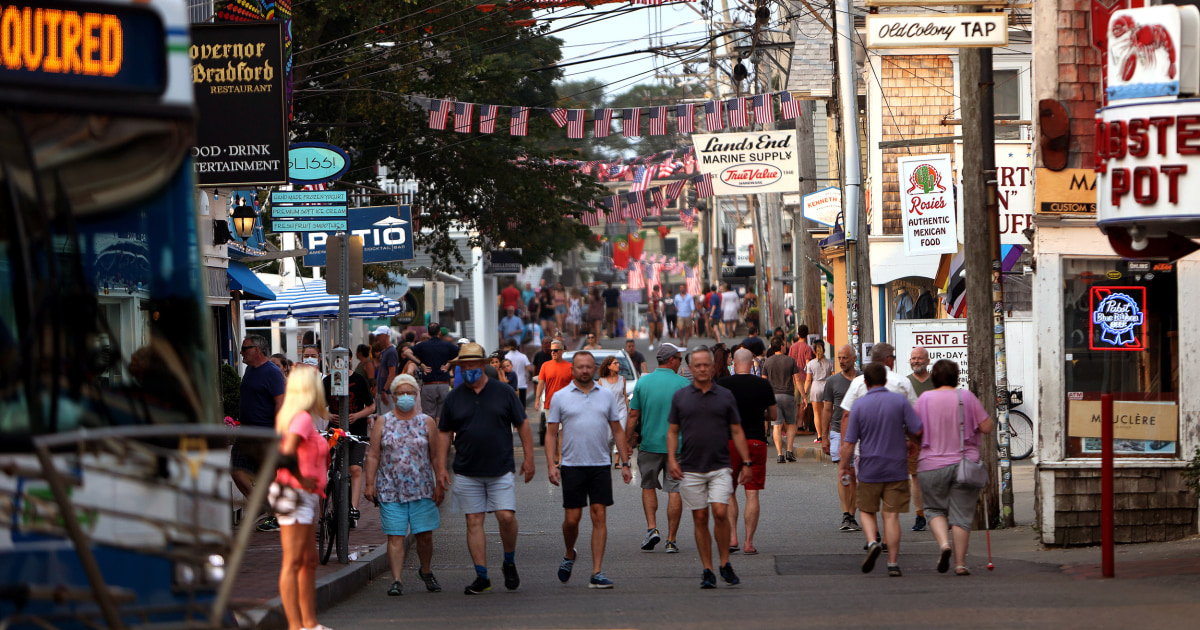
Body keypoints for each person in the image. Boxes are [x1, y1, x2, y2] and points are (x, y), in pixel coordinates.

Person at [435, 343, 535, 595]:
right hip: (467, 470)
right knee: (474, 521)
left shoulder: (503, 392)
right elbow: (444, 433)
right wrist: (440, 467)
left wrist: (529, 458)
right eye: (464, 367)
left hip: (500, 468)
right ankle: (482, 576)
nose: (468, 370)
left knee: (506, 516)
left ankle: (509, 561)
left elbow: (522, 424)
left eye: (472, 366)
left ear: (482, 365)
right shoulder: (454, 397)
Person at [546, 352, 633, 589]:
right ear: (572, 369)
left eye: (588, 367)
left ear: (594, 369)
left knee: (599, 514)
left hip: (600, 464)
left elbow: (617, 430)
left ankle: (597, 572)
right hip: (572, 465)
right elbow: (551, 432)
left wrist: (625, 463)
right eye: (579, 367)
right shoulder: (560, 397)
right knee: (572, 520)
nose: (584, 370)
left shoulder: (605, 396)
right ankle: (569, 552)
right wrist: (551, 465)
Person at [667, 346, 751, 589]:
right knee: (700, 517)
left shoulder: (725, 395)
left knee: (720, 512)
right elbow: (673, 431)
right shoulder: (681, 397)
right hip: (691, 467)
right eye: (698, 365)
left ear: (713, 368)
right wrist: (672, 459)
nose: (703, 369)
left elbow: (736, 430)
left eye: (707, 365)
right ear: (690, 369)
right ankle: (707, 568)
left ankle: (725, 562)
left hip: (720, 466)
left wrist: (746, 462)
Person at [838, 363, 923, 578]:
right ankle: (893, 562)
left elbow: (849, 442)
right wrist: (914, 442)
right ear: (885, 380)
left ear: (865, 382)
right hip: (896, 466)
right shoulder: (900, 401)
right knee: (891, 516)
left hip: (869, 467)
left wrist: (843, 467)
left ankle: (872, 540)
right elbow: (918, 429)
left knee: (866, 509)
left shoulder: (859, 406)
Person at [364, 374, 445, 596]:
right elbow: (373, 455)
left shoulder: (426, 421)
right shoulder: (383, 422)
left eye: (410, 392)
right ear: (393, 396)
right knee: (395, 535)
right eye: (401, 393)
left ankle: (426, 570)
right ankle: (397, 579)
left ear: (417, 395)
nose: (406, 397)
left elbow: (436, 456)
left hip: (422, 488)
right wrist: (369, 484)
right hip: (390, 488)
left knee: (424, 535)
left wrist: (440, 482)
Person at [914, 360, 994, 576]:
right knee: (961, 516)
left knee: (933, 509)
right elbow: (987, 427)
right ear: (956, 377)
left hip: (930, 466)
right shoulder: (965, 397)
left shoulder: (924, 399)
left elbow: (915, 429)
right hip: (963, 465)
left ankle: (943, 545)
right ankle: (960, 564)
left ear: (934, 378)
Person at [270, 365, 330, 630]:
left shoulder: (298, 416)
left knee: (306, 561)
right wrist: (302, 477)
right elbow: (286, 452)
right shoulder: (302, 419)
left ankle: (308, 622)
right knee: (295, 561)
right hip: (296, 492)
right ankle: (297, 625)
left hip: (301, 493)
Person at [626, 343, 690, 553]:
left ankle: (652, 528)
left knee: (648, 486)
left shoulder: (643, 383)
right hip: (677, 448)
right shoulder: (683, 384)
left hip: (649, 444)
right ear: (671, 360)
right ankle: (671, 540)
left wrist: (627, 442)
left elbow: (633, 415)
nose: (680, 362)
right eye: (679, 359)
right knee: (675, 490)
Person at [716, 349, 776, 556]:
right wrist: (759, 412)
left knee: (730, 491)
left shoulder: (722, 384)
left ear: (733, 362)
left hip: (729, 441)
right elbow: (774, 414)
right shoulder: (763, 385)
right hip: (756, 441)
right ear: (752, 363)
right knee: (752, 493)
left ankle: (732, 536)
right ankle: (749, 542)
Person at [234, 335, 287, 532]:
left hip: (265, 431)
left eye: (245, 348)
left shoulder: (272, 372)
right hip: (246, 431)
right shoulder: (249, 370)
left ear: (257, 350)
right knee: (237, 471)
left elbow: (280, 403)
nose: (241, 352)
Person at [322, 366, 374, 528]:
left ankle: (352, 509)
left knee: (355, 469)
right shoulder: (327, 381)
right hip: (334, 432)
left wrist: (356, 416)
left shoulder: (359, 380)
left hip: (357, 430)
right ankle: (325, 510)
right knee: (328, 470)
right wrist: (329, 416)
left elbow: (371, 406)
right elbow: (318, 405)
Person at [821, 344, 860, 532]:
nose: (842, 361)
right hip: (838, 431)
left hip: (860, 433)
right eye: (839, 358)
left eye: (845, 358)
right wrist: (824, 437)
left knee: (854, 474)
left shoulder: (863, 379)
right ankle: (846, 514)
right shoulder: (832, 381)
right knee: (843, 471)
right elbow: (827, 409)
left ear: (854, 358)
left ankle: (852, 515)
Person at [906, 346, 935, 532]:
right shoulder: (905, 382)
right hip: (913, 439)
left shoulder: (937, 381)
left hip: (936, 437)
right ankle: (920, 515)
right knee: (915, 477)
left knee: (936, 477)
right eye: (913, 358)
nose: (916, 361)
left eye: (919, 358)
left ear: (927, 361)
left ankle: (940, 512)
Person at [762, 338, 801, 463]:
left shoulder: (767, 362)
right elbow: (798, 380)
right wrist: (804, 396)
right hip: (788, 395)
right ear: (782, 347)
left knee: (776, 426)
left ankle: (779, 454)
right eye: (784, 345)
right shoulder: (790, 360)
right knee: (791, 424)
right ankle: (789, 451)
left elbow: (764, 382)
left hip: (773, 397)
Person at [411, 322, 459, 419]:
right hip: (443, 384)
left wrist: (421, 364)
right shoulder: (447, 345)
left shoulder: (422, 346)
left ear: (428, 333)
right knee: (442, 416)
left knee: (428, 416)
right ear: (439, 332)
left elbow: (407, 352)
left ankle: (431, 433)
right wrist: (450, 363)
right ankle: (440, 433)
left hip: (429, 384)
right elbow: (463, 352)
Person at [534, 339, 573, 446]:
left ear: (562, 351)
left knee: (562, 431)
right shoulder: (545, 366)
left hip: (566, 405)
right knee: (552, 432)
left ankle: (561, 457)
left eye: (555, 350)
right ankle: (556, 455)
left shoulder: (570, 367)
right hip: (549, 404)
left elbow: (575, 386)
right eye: (551, 350)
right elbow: (541, 384)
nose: (553, 353)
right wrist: (537, 399)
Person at [805, 340, 835, 445]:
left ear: (814, 351)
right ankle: (826, 434)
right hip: (827, 386)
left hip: (815, 387)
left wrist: (804, 393)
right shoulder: (830, 362)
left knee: (816, 413)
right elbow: (833, 376)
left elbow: (808, 380)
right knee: (827, 412)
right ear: (824, 349)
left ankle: (819, 436)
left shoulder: (810, 364)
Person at [597, 355, 629, 444]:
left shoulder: (622, 379)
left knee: (620, 436)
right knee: (609, 439)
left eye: (618, 363)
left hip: (621, 411)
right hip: (608, 413)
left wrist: (628, 410)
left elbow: (625, 396)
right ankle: (609, 456)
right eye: (615, 363)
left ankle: (617, 458)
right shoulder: (602, 381)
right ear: (608, 366)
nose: (618, 365)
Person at [375, 326, 399, 414]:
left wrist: (385, 389)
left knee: (387, 416)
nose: (377, 337)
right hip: (383, 391)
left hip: (387, 392)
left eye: (379, 335)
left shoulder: (391, 352)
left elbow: (392, 373)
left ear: (386, 336)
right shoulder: (385, 351)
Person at [503, 339, 532, 407]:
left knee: (511, 405)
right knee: (522, 405)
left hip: (511, 384)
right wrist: (530, 377)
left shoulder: (506, 357)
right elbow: (529, 369)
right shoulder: (523, 356)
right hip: (522, 383)